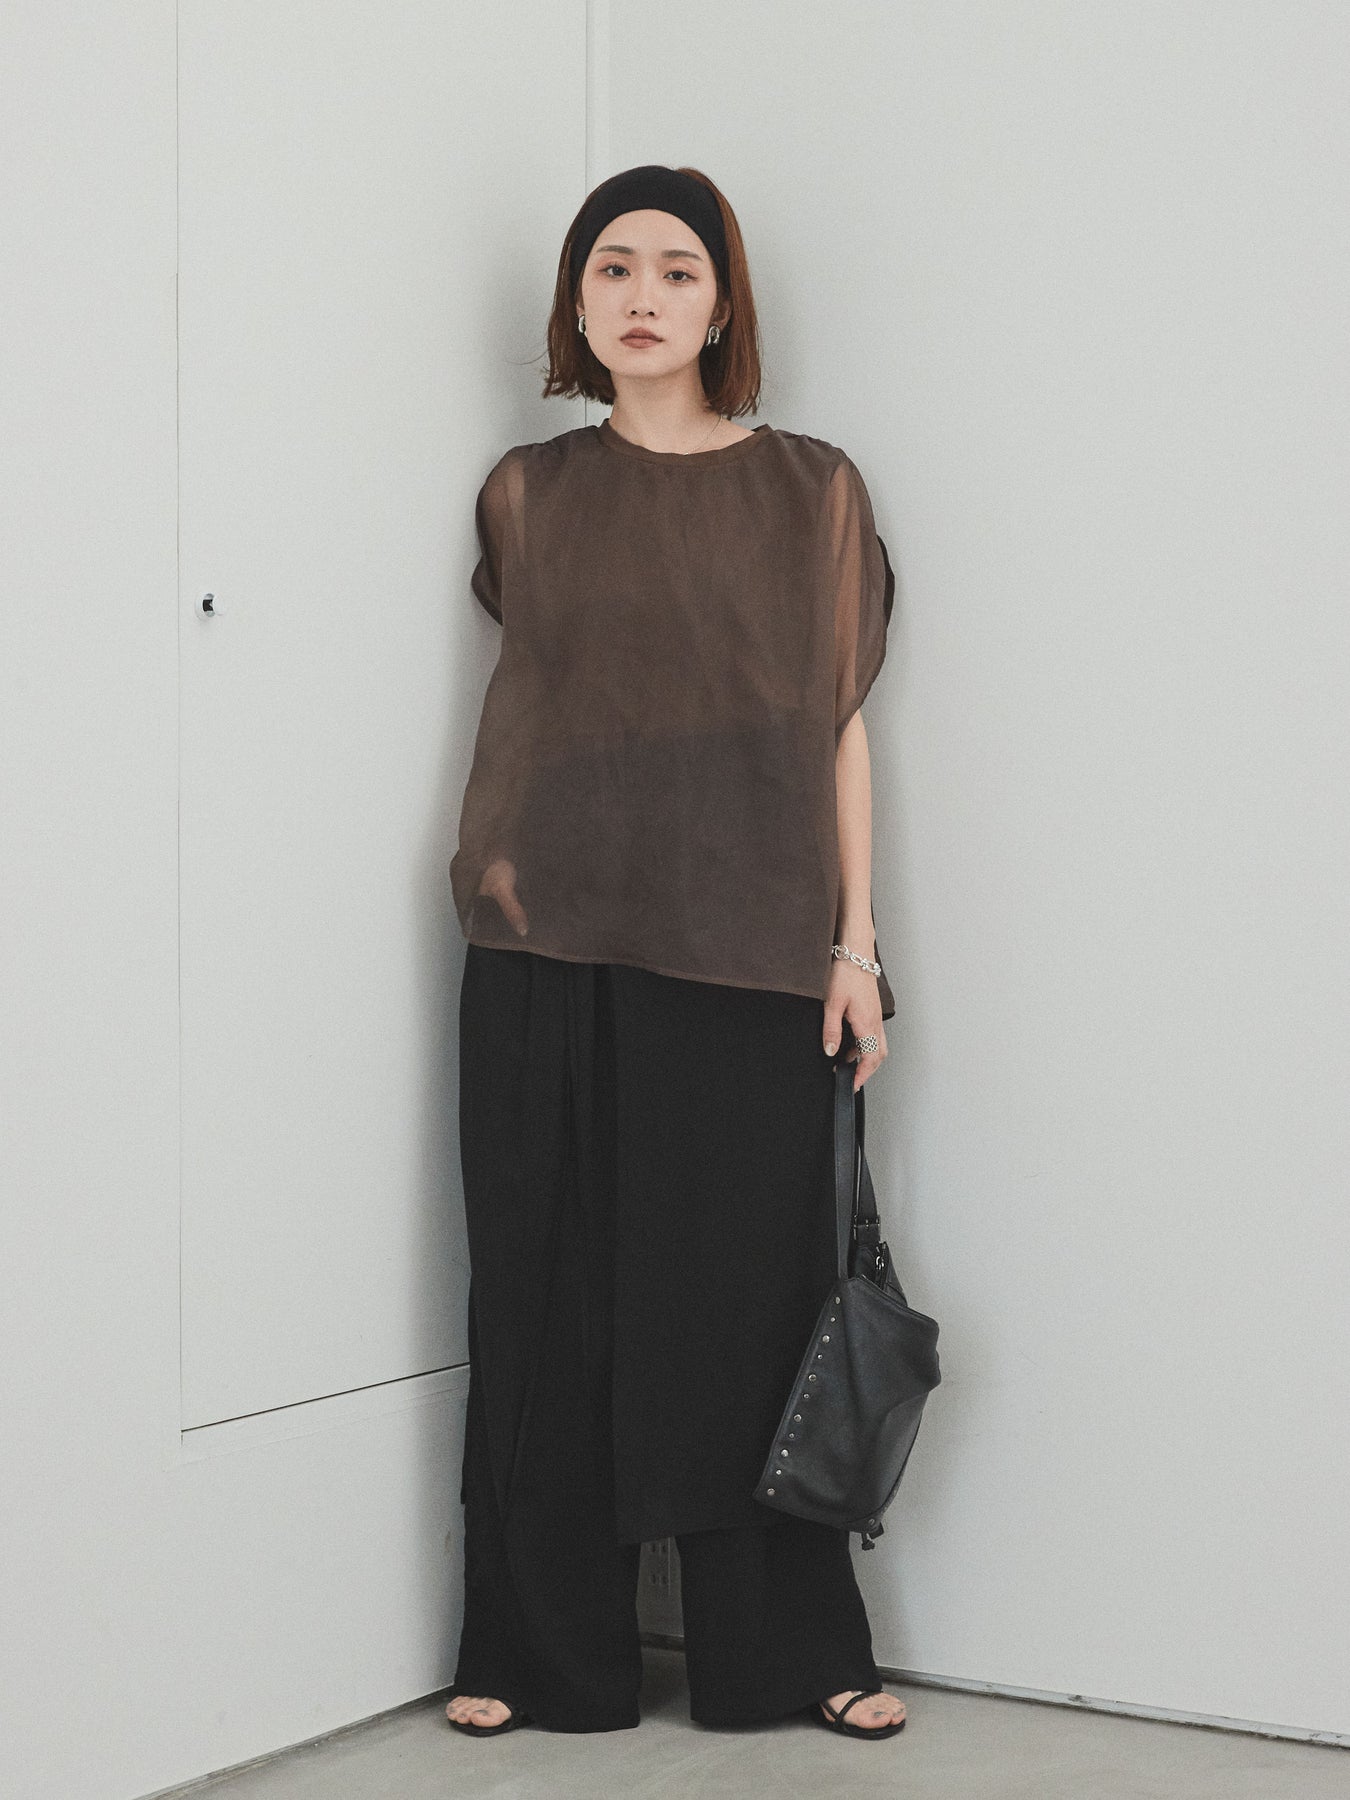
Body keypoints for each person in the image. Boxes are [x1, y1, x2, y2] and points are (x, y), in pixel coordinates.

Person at [443, 164, 907, 1744]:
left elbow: (834, 726)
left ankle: (788, 1655)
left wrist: (855, 945)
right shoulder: (525, 493)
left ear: (722, 307)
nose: (642, 295)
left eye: (677, 271)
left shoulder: (812, 490)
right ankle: (532, 1653)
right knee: (542, 1297)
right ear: (575, 303)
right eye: (612, 267)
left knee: (747, 1306)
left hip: (749, 946)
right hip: (540, 939)